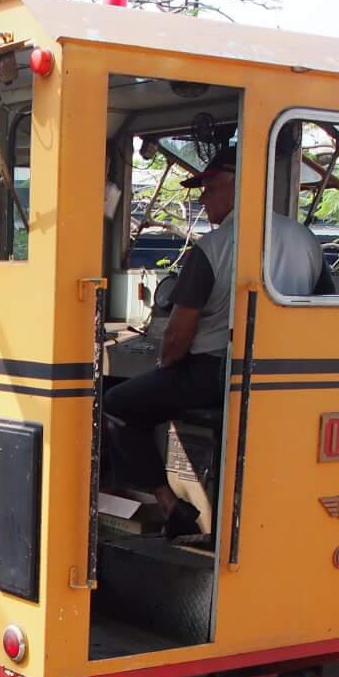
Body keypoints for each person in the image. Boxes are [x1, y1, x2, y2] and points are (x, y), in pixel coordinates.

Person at [102, 148, 238, 539]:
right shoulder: (303, 241)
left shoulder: (212, 250)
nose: (203, 198)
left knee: (117, 403)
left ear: (235, 188)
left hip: (210, 372)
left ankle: (170, 506)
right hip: (277, 376)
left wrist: (163, 367)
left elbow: (178, 335)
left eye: (210, 188)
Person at [267, 122, 334, 299]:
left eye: (210, 189)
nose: (203, 199)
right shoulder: (305, 237)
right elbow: (326, 297)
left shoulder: (214, 244)